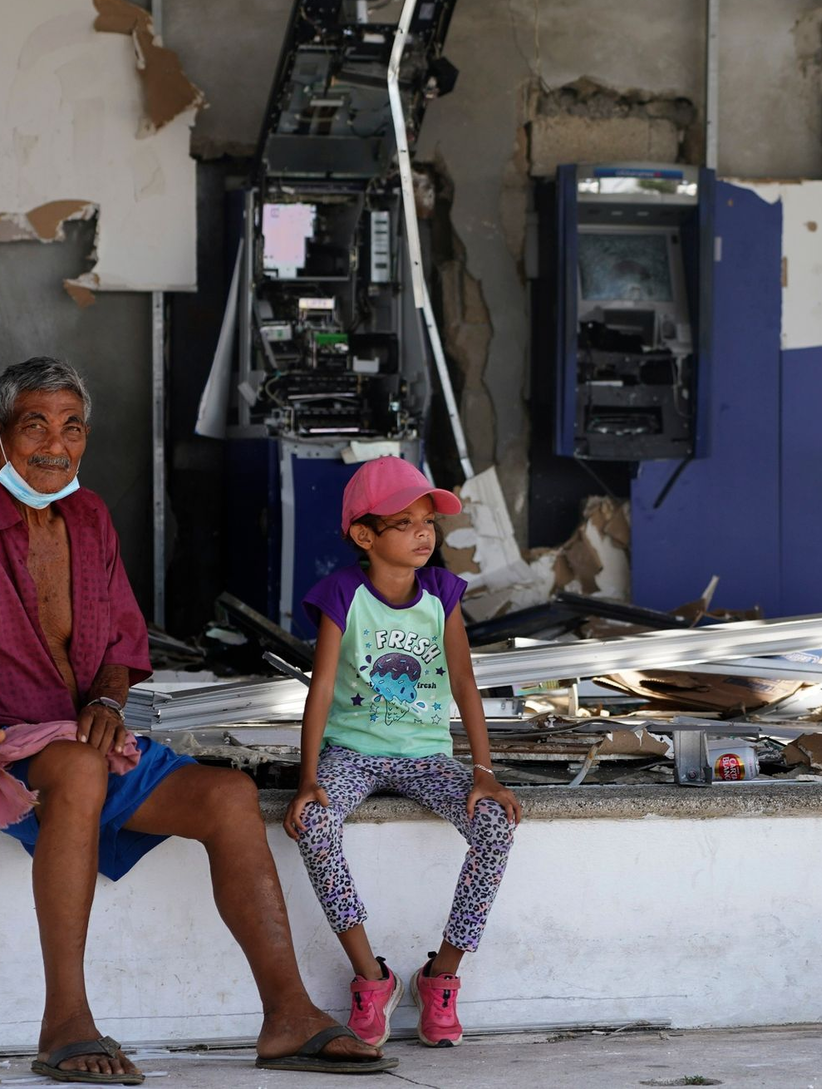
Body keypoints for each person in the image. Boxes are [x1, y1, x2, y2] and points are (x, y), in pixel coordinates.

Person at [0, 356, 393, 1083]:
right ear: (2, 436)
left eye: (72, 426)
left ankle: (288, 1014)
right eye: (34, 426)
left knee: (227, 795)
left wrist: (109, 701)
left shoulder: (88, 518)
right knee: (82, 765)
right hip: (11, 746)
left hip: (79, 736)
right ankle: (64, 1022)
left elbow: (121, 640)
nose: (54, 444)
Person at [285, 455, 519, 1051]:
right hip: (352, 752)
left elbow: (464, 682)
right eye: (406, 522)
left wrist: (483, 772)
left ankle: (441, 977)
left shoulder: (441, 593)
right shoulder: (344, 593)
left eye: (428, 522)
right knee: (315, 825)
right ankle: (372, 977)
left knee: (494, 826)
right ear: (365, 535)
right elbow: (320, 690)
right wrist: (309, 778)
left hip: (426, 756)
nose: (424, 533)